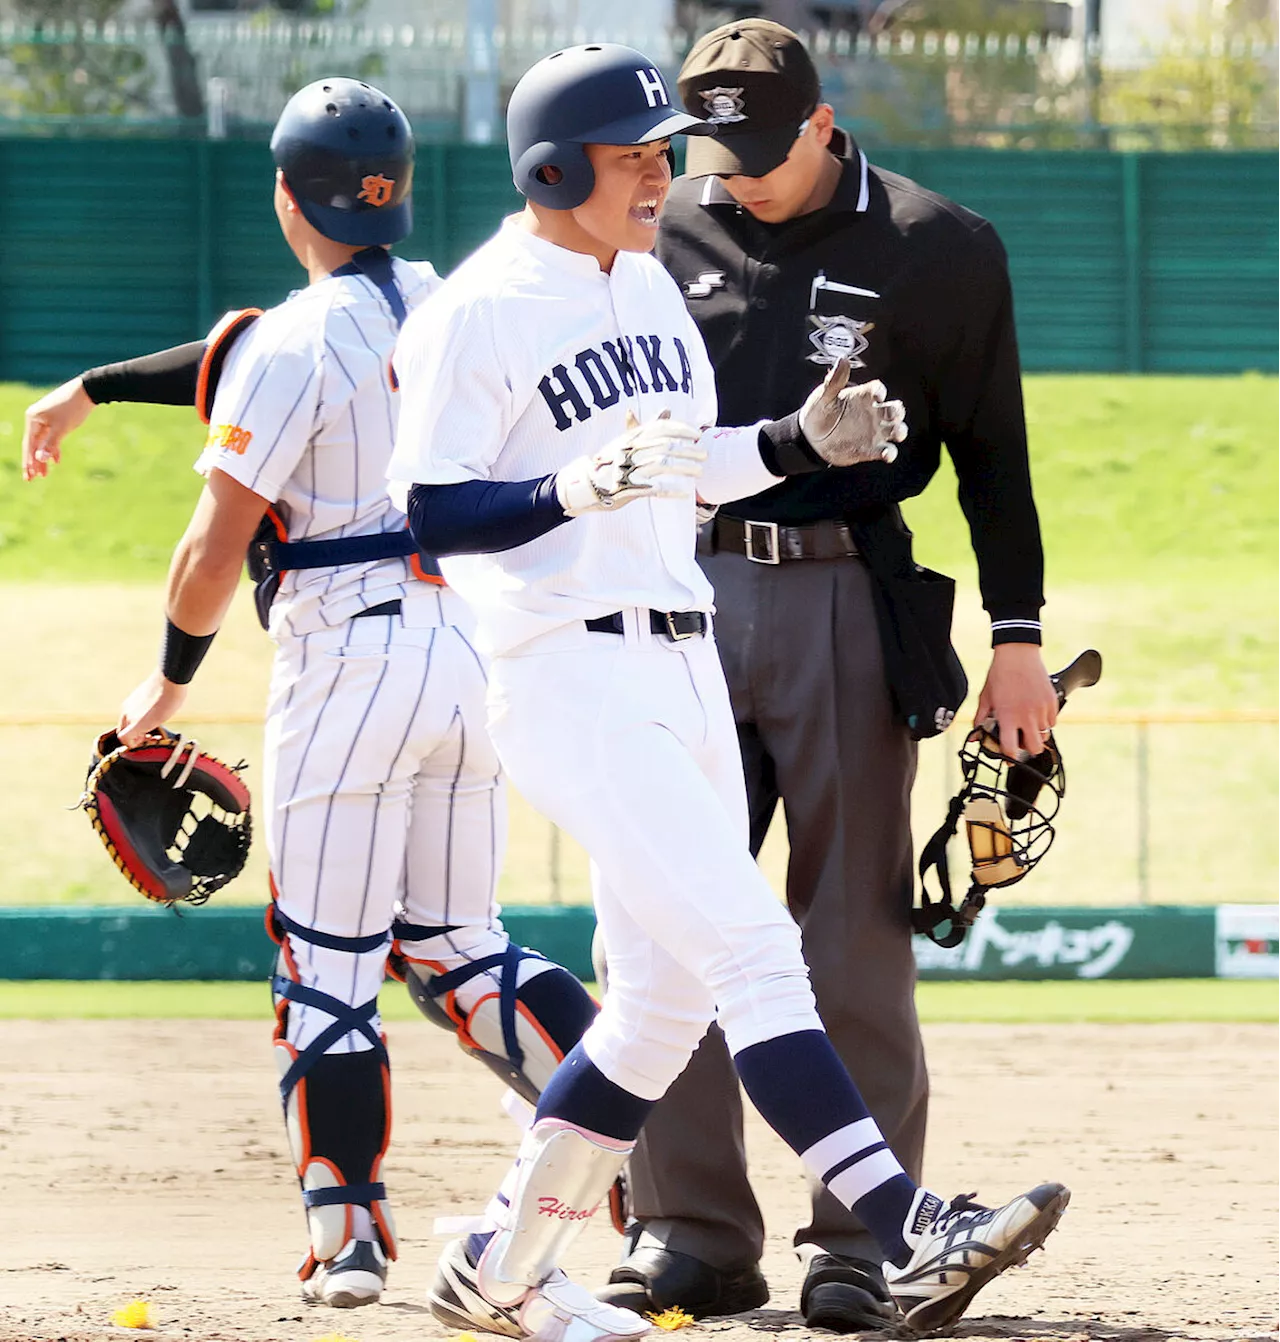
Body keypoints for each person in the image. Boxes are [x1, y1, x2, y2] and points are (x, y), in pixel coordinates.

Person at [386, 42, 1068, 1342]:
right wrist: (567, 490)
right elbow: (427, 510)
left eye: (663, 153)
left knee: (659, 1003)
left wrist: (793, 443)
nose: (664, 176)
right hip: (572, 667)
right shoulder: (478, 310)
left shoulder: (640, 284)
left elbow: (688, 457)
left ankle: (502, 1259)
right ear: (549, 169)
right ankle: (905, 1222)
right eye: (638, 157)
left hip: (683, 646)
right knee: (756, 946)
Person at [20, 77, 598, 1311]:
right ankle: (626, 1115)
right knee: (459, 945)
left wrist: (167, 684)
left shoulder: (290, 338)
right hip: (466, 650)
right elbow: (240, 356)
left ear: (288, 195)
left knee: (325, 963)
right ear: (395, 189)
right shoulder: (460, 302)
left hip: (345, 664)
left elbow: (210, 549)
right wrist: (100, 385)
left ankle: (347, 1236)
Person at [593, 20, 1062, 1332]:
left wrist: (1018, 638)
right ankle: (691, 1232)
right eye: (710, 149)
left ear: (821, 120)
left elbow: (996, 458)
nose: (731, 173)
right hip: (670, 588)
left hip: (846, 589)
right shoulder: (655, 230)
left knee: (849, 931)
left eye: (757, 147)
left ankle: (857, 1237)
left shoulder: (939, 247)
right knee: (661, 916)